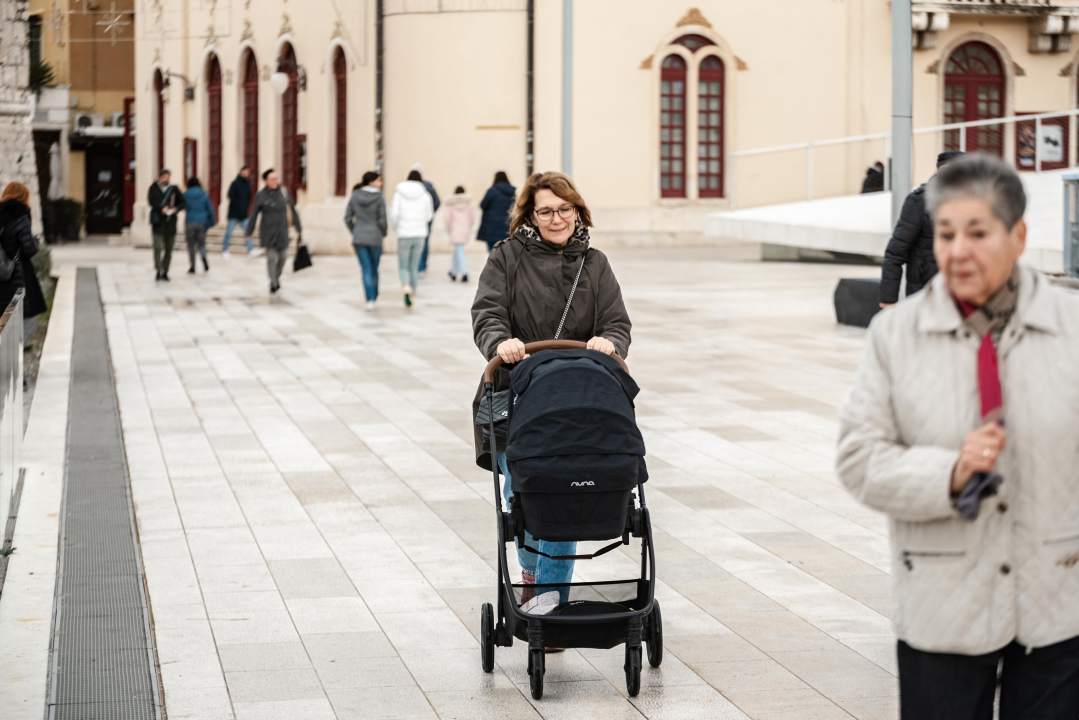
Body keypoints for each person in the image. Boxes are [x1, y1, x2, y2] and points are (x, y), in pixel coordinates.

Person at [837, 155, 1079, 720]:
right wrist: (946, 472)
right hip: (943, 599)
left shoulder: (1072, 328)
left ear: (1017, 236)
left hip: (1056, 598)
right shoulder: (896, 335)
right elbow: (858, 458)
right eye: (946, 233)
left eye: (978, 232)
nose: (958, 250)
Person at [471, 171, 632, 616]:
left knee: (563, 499)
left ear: (577, 211)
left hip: (576, 400)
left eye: (565, 209)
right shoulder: (506, 257)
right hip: (515, 394)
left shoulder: (594, 263)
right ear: (531, 215)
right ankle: (533, 574)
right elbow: (487, 311)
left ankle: (549, 606)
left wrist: (610, 342)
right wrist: (499, 343)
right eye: (546, 210)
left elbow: (616, 320)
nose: (557, 218)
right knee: (521, 498)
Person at [880, 151, 964, 307]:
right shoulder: (919, 201)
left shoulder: (976, 203)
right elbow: (895, 253)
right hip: (924, 294)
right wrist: (888, 299)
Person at [245, 169, 302, 294]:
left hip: (282, 230)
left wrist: (299, 227)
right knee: (271, 258)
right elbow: (254, 214)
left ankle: (276, 276)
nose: (275, 181)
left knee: (284, 256)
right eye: (272, 179)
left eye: (276, 178)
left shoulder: (285, 192)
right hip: (268, 231)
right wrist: (249, 231)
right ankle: (273, 282)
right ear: (265, 181)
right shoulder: (260, 195)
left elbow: (292, 210)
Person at [389, 169, 433, 307]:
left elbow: (394, 214)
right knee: (414, 266)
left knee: (403, 266)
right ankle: (413, 294)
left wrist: (397, 228)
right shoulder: (425, 195)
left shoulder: (398, 195)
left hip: (404, 234)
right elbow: (429, 216)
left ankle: (406, 285)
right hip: (419, 234)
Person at [345, 171, 388, 311]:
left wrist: (355, 230)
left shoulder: (355, 196)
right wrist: (383, 232)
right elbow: (382, 219)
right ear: (371, 182)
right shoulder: (379, 198)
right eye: (378, 181)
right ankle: (373, 296)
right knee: (374, 268)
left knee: (366, 268)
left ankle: (369, 298)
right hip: (375, 237)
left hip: (359, 237)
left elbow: (347, 218)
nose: (380, 184)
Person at [0, 182, 41, 311]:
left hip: (2, 271)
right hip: (18, 273)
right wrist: (36, 241)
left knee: (4, 317)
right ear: (23, 197)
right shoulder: (21, 217)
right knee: (23, 317)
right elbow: (29, 249)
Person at [148, 168, 185, 281]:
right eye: (164, 177)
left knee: (169, 249)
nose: (166, 179)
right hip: (158, 223)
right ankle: (158, 270)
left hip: (170, 223)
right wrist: (161, 208)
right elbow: (151, 201)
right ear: (160, 177)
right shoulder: (153, 188)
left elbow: (183, 202)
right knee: (158, 247)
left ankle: (165, 270)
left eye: (168, 176)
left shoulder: (174, 189)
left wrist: (175, 209)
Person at [410, 163, 440, 278]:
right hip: (425, 222)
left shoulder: (404, 187)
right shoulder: (428, 185)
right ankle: (422, 266)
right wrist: (429, 215)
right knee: (424, 244)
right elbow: (436, 202)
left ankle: (416, 267)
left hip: (411, 222)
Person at [224, 165, 259, 259]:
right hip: (234, 213)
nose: (246, 173)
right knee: (229, 233)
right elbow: (230, 195)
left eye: (247, 172)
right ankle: (225, 250)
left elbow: (248, 197)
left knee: (247, 232)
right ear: (241, 171)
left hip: (243, 213)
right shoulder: (235, 183)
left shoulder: (248, 184)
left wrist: (246, 208)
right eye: (245, 171)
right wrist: (238, 206)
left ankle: (251, 250)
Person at [477, 171, 516, 253]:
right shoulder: (512, 192)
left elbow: (483, 205)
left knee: (492, 250)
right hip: (507, 225)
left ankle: (494, 265)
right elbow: (515, 207)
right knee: (505, 250)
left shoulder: (492, 190)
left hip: (491, 226)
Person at [183, 177, 216, 274]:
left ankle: (192, 266)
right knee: (201, 244)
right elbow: (210, 209)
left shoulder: (186, 194)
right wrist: (211, 222)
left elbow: (184, 206)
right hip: (202, 222)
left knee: (191, 245)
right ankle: (204, 258)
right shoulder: (203, 194)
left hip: (190, 221)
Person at [443, 185, 473, 282]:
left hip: (455, 230)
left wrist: (448, 229)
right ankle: (453, 272)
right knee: (458, 251)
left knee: (459, 251)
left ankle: (464, 272)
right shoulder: (467, 205)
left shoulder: (450, 205)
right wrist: (468, 227)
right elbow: (471, 219)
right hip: (464, 230)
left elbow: (447, 219)